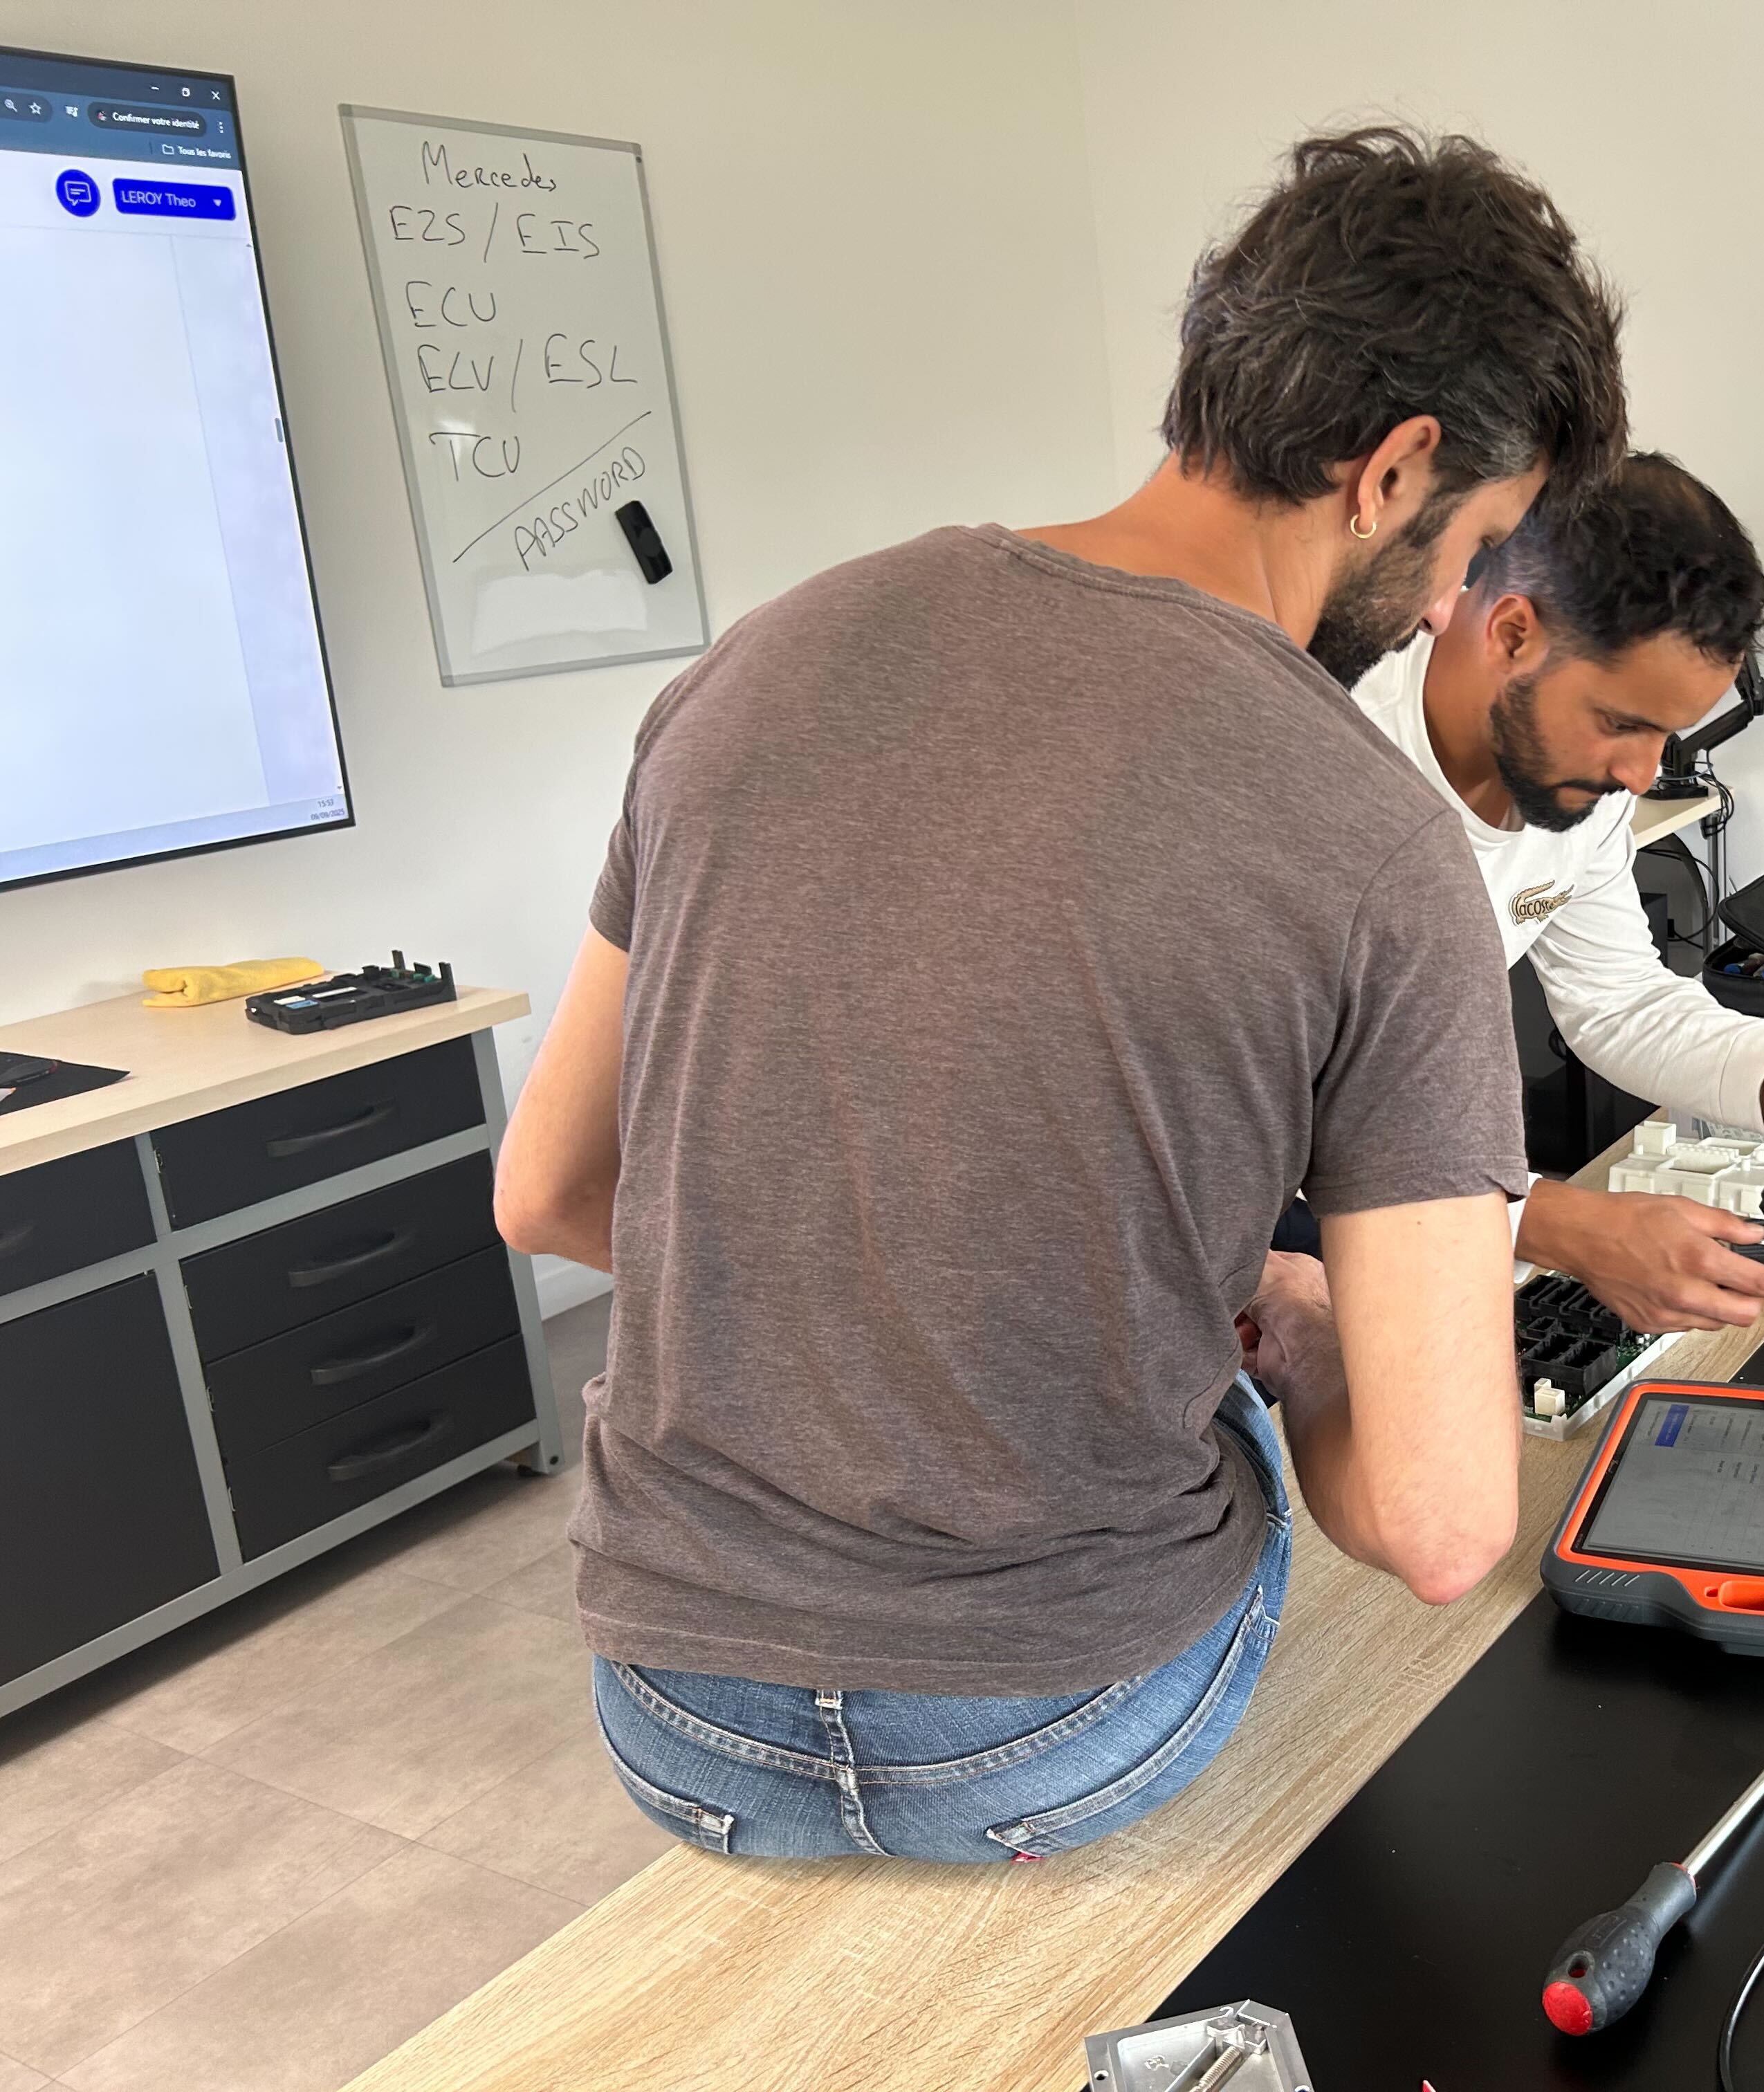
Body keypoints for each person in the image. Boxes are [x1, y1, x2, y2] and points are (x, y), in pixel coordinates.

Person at [492, 126, 1628, 1864]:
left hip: (671, 1705)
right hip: (1061, 1726)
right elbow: (1438, 1522)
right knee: (1254, 1394)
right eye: (1473, 544)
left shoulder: (751, 667)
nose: (1454, 607)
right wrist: (1303, 1323)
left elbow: (551, 1190)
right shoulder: (1370, 834)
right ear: (1394, 472)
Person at [1345, 452, 1764, 1334]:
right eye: (1624, 723)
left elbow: (1618, 1001)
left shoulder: (1579, 795)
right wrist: (1567, 1227)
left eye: (1668, 733)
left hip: (1428, 1216)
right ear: (1512, 634)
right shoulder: (1327, 771)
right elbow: (1283, 1124)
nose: (1639, 774)